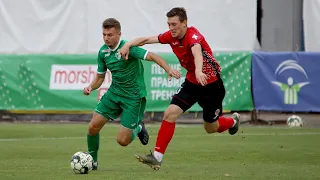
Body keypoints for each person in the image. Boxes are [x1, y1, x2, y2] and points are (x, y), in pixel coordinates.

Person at [119, 7, 241, 170]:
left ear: (185, 23)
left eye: (174, 24)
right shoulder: (171, 36)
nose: (171, 28)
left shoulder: (193, 36)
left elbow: (197, 52)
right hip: (192, 83)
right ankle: (157, 157)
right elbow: (147, 40)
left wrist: (199, 70)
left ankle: (233, 121)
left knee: (210, 127)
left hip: (211, 85)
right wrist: (127, 44)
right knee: (169, 113)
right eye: (169, 24)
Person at [84, 18, 181, 170]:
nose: (106, 38)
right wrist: (91, 86)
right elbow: (100, 77)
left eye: (110, 34)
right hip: (114, 93)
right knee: (92, 127)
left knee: (122, 141)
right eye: (104, 34)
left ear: (119, 34)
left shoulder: (129, 48)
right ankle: (92, 161)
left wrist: (168, 69)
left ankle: (138, 128)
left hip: (133, 97)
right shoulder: (103, 52)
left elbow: (153, 56)